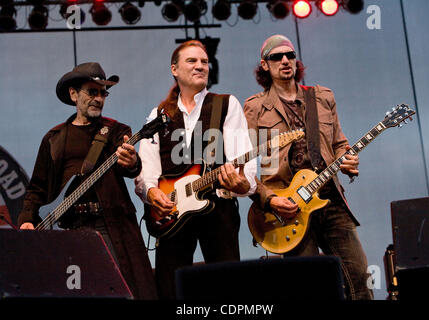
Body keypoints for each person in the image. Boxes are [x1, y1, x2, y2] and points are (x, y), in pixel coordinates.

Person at [244, 35, 373, 300]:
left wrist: (348, 159)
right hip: (288, 208)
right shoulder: (255, 107)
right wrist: (269, 200)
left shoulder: (322, 97)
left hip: (330, 200)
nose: (285, 61)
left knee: (359, 280)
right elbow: (242, 167)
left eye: (289, 55)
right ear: (264, 65)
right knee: (309, 288)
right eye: (276, 57)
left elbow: (339, 144)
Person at [18, 62, 157, 300]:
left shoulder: (115, 130)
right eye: (92, 92)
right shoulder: (53, 138)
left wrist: (132, 162)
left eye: (103, 93)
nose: (99, 98)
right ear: (73, 94)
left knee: (122, 291)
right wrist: (27, 220)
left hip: (109, 225)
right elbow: (37, 188)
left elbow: (131, 169)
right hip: (68, 228)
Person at [135, 40, 257, 300]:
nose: (201, 66)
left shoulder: (226, 104)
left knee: (228, 289)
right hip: (171, 212)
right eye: (192, 61)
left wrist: (242, 183)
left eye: (204, 61)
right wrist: (152, 192)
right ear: (174, 70)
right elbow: (146, 168)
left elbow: (244, 164)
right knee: (170, 288)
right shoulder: (158, 115)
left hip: (218, 210)